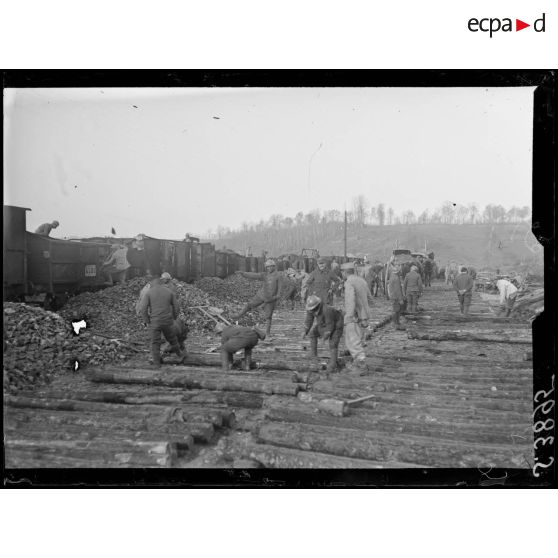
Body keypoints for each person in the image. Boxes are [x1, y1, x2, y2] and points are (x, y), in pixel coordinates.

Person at [139, 277, 185, 368]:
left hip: (155, 322)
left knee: (155, 342)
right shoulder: (169, 292)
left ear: (153, 284)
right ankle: (180, 354)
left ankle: (157, 364)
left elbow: (143, 309)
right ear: (161, 283)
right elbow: (177, 307)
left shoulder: (149, 293)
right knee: (172, 339)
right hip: (167, 321)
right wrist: (174, 318)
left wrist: (147, 321)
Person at [232, 259, 281, 337]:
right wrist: (243, 273)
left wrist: (276, 297)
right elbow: (254, 275)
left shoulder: (278, 276)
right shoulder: (265, 275)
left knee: (268, 317)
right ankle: (238, 315)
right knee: (249, 305)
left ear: (274, 267)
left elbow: (280, 290)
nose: (268, 269)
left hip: (270, 299)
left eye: (270, 267)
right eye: (267, 267)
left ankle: (267, 333)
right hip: (261, 295)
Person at [341, 261, 372, 374]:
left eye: (342, 272)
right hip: (363, 315)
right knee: (359, 339)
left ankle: (361, 365)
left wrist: (349, 315)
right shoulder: (361, 280)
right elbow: (370, 297)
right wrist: (366, 312)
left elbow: (350, 300)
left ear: (345, 272)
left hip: (354, 316)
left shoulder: (349, 282)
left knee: (352, 340)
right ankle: (358, 362)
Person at [302, 295, 344, 373]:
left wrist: (325, 336)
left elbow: (330, 326)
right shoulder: (310, 309)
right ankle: (314, 357)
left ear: (317, 306)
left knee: (333, 343)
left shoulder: (327, 310)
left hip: (337, 324)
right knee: (312, 334)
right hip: (323, 323)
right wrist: (305, 330)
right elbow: (309, 319)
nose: (311, 312)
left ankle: (333, 364)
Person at [388, 263, 406, 330]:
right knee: (396, 310)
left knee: (396, 310)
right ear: (398, 272)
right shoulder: (396, 278)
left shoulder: (392, 277)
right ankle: (395, 323)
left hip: (393, 296)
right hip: (396, 297)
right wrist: (400, 299)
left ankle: (396, 323)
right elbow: (398, 290)